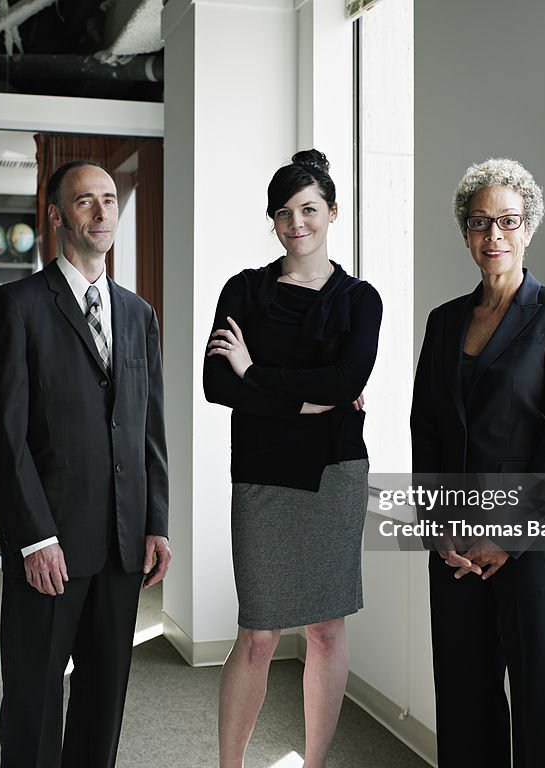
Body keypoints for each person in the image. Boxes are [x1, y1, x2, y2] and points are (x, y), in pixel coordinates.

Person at [0, 160, 170, 768]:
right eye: (86, 201)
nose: (103, 211)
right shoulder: (18, 307)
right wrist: (35, 538)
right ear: (57, 216)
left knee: (103, 695)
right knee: (35, 698)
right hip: (49, 546)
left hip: (121, 543)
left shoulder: (139, 316)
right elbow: (2, 439)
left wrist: (157, 522)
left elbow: (150, 432)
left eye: (110, 199)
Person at [204, 149, 382, 768]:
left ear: (332, 212)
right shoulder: (244, 290)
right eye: (284, 213)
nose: (297, 223)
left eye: (309, 209)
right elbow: (215, 385)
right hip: (260, 474)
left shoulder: (360, 299)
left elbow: (343, 383)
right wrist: (298, 399)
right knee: (256, 633)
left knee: (326, 630)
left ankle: (314, 763)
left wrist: (255, 371)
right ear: (273, 221)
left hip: (334, 474)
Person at [410, 158, 545, 767]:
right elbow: (426, 430)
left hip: (531, 549)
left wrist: (507, 539)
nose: (494, 236)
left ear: (528, 229)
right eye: (481, 222)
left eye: (508, 222)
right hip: (456, 549)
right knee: (464, 707)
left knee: (542, 715)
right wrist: (439, 532)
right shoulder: (442, 323)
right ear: (465, 232)